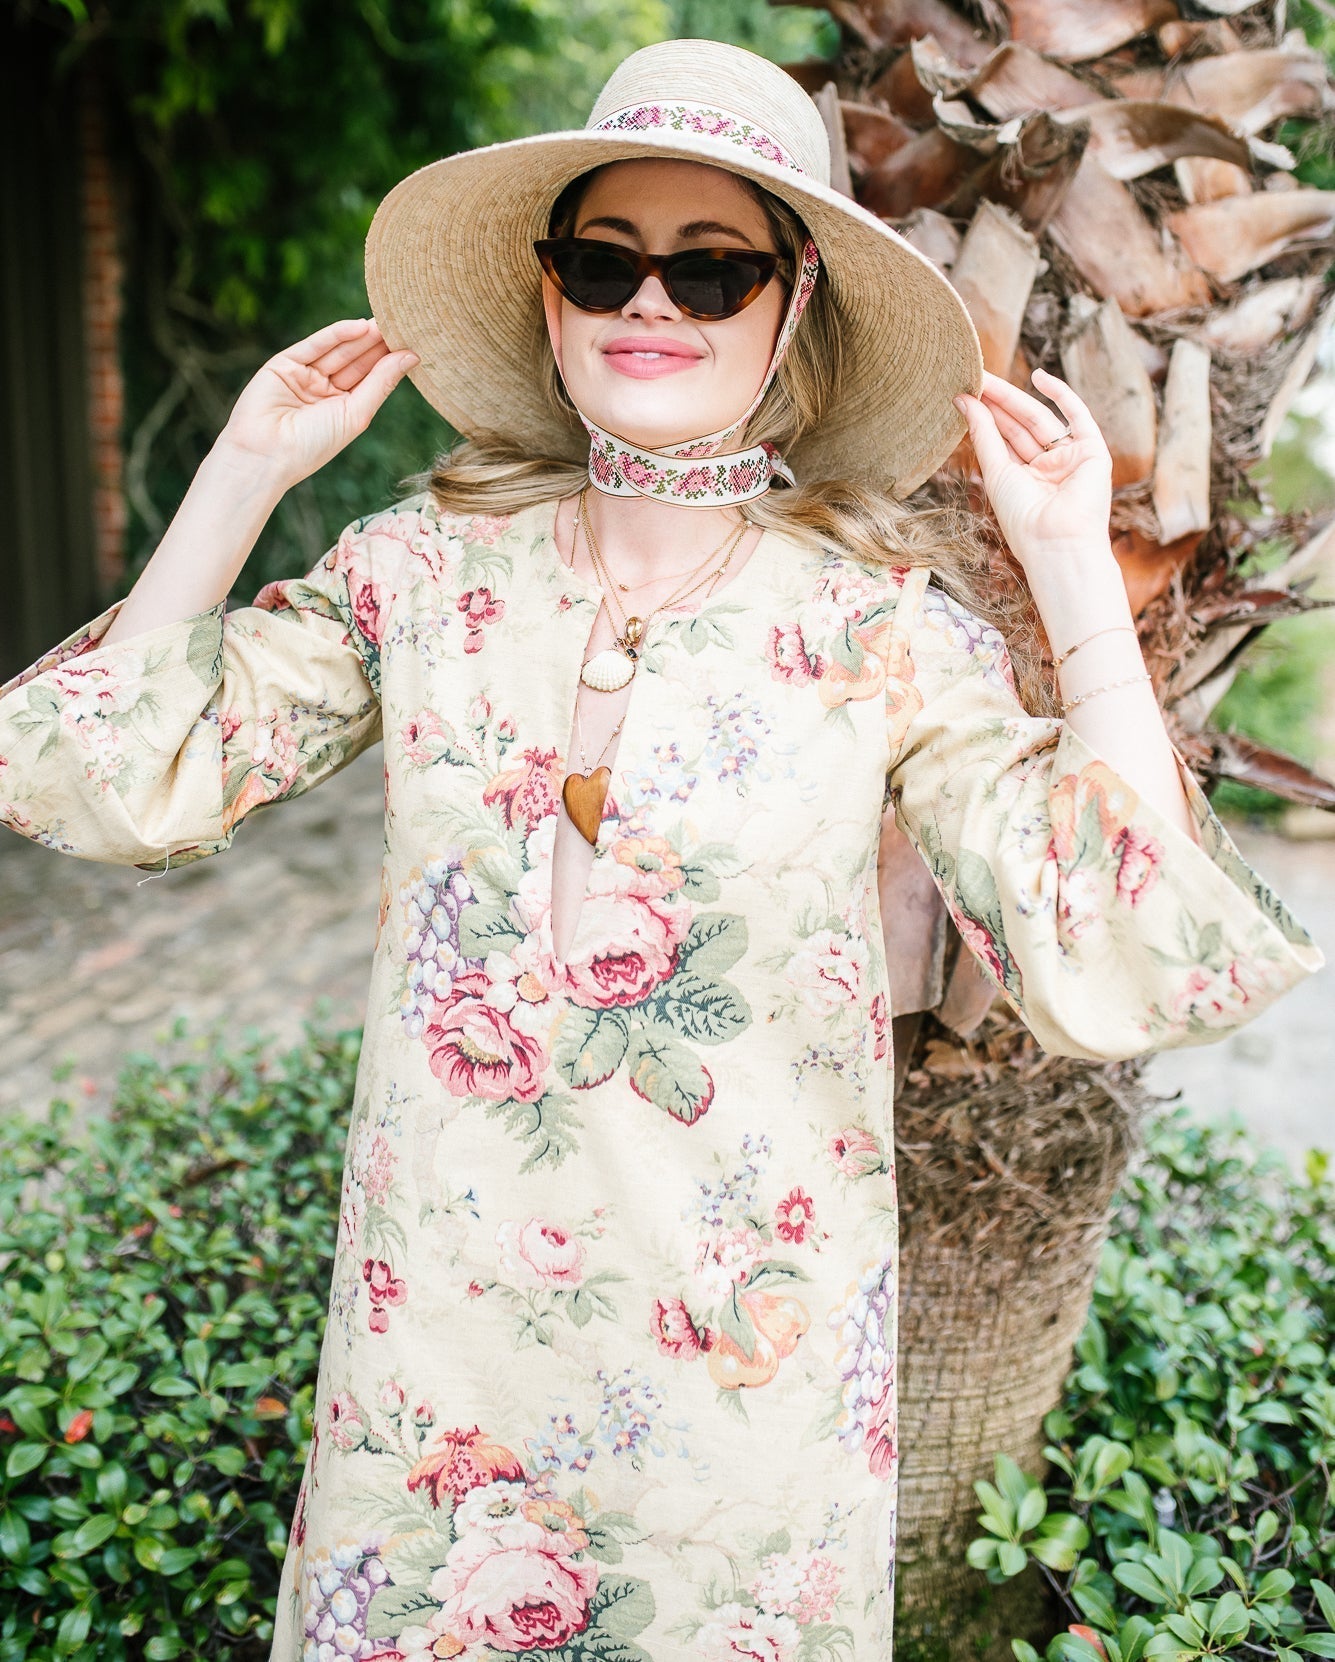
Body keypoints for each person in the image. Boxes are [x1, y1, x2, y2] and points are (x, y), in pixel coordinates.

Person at [0, 37, 1323, 1662]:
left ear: (790, 304)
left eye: (710, 270)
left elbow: (1122, 935)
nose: (652, 304)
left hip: (740, 1388)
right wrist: (245, 467)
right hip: (440, 1375)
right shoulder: (423, 574)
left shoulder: (880, 629)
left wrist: (1069, 574)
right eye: (604, 261)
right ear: (549, 296)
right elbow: (108, 777)